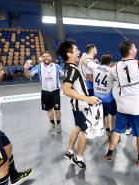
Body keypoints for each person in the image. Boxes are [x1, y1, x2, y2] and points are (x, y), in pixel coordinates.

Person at [104, 40, 139, 167]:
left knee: (117, 131)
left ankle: (109, 154)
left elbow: (107, 86)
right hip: (138, 108)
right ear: (130, 51)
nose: (136, 49)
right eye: (135, 48)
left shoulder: (114, 68)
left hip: (123, 107)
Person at [57, 40, 100, 169]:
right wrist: (87, 99)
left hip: (78, 106)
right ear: (69, 53)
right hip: (81, 106)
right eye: (76, 49)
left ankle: (70, 151)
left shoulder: (72, 67)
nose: (79, 51)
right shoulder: (71, 70)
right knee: (87, 132)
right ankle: (78, 158)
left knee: (77, 127)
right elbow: (66, 90)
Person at [0, 59, 32, 185]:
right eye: (0, 69)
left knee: (8, 147)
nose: (3, 72)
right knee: (2, 166)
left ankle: (14, 176)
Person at [24, 51, 65, 133]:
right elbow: (29, 75)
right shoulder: (38, 67)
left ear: (50, 57)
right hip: (45, 92)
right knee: (49, 110)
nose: (46, 57)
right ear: (42, 58)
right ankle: (52, 124)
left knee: (57, 109)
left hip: (55, 91)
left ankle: (59, 124)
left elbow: (63, 74)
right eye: (44, 56)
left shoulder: (56, 66)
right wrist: (25, 68)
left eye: (47, 56)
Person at [80, 53, 117, 137]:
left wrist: (85, 54)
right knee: (114, 114)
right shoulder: (111, 71)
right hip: (108, 98)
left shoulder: (95, 66)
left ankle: (107, 131)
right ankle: (114, 131)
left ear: (101, 61)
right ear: (110, 62)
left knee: (105, 114)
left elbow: (83, 60)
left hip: (98, 98)